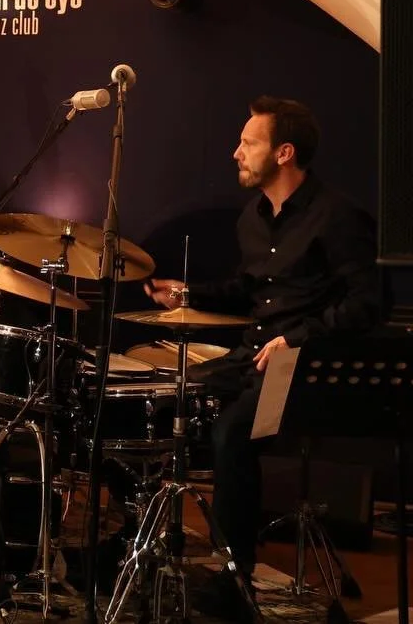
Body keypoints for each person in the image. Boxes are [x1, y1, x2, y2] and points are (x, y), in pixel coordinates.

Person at [143, 96, 380, 619]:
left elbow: (369, 302)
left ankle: (235, 578)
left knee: (231, 433)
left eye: (249, 142)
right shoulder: (253, 217)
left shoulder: (338, 216)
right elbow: (247, 290)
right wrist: (189, 295)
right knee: (159, 397)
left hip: (307, 368)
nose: (236, 152)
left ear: (283, 152)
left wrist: (299, 338)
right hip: (253, 356)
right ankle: (143, 553)